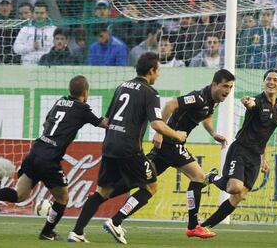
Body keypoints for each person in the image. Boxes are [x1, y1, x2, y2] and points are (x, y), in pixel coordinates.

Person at [0, 75, 108, 241]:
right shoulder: (83, 109)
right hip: (50, 160)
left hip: (35, 152)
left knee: (20, 195)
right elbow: (103, 123)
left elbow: (46, 123)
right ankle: (47, 232)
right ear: (85, 92)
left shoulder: (60, 101)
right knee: (62, 198)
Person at [67, 52, 187, 244]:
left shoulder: (121, 86)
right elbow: (157, 124)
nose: (159, 75)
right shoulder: (149, 92)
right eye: (158, 71)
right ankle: (116, 221)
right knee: (150, 186)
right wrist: (177, 135)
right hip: (129, 147)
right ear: (151, 70)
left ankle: (77, 232)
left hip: (110, 144)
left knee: (102, 191)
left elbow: (108, 120)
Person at [108, 69, 236, 239]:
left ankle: (108, 208)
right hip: (171, 142)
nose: (228, 91)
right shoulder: (198, 97)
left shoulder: (213, 101)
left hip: (169, 146)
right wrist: (160, 132)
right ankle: (193, 226)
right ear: (214, 84)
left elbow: (207, 117)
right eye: (225, 86)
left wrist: (213, 134)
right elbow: (170, 104)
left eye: (231, 87)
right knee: (199, 176)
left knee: (143, 182)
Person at [201, 69, 277, 231]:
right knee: (234, 188)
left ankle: (204, 226)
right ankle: (211, 176)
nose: (271, 82)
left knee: (239, 195)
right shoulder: (258, 101)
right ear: (263, 82)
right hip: (241, 149)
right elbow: (250, 104)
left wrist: (263, 158)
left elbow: (265, 135)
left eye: (275, 80)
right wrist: (247, 103)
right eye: (268, 79)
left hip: (255, 155)